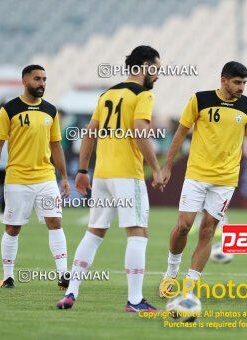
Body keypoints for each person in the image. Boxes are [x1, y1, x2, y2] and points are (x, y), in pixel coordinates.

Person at [56, 46, 164, 312]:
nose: (158, 76)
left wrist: (82, 171)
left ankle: (71, 293)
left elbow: (89, 132)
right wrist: (157, 168)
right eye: (157, 69)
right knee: (138, 233)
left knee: (94, 232)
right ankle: (135, 300)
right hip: (127, 174)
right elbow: (140, 131)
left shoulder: (107, 94)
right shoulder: (143, 95)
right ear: (144, 66)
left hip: (102, 174)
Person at [159, 61, 247, 297]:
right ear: (223, 80)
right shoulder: (200, 100)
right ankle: (170, 273)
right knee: (184, 226)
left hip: (226, 180)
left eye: (244, 83)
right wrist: (167, 167)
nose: (241, 87)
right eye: (237, 82)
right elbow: (181, 133)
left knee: (207, 231)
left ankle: (190, 287)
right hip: (196, 174)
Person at [0, 65, 70, 289]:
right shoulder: (9, 109)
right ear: (24, 81)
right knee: (13, 228)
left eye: (44, 79)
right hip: (17, 179)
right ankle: (8, 277)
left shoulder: (51, 110)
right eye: (37, 79)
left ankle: (63, 275)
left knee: (55, 222)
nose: (42, 83)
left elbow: (56, 146)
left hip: (45, 178)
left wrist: (63, 176)